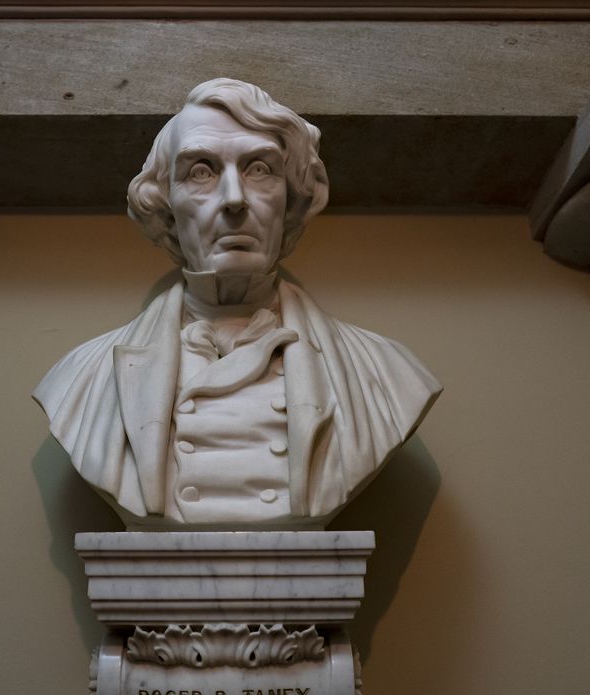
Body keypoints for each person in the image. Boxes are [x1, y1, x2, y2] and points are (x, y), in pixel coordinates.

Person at [34, 78, 440, 530]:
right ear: (167, 207)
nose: (234, 200)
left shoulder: (383, 373)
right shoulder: (84, 376)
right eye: (201, 172)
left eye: (260, 169)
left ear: (291, 201)